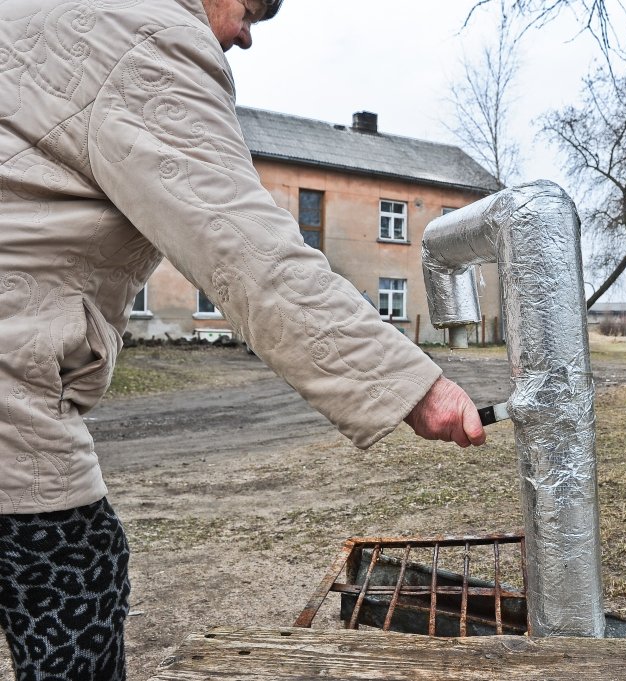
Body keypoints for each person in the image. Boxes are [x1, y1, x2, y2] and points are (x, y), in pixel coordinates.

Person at [0, 1, 486, 678]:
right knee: (77, 570)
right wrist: (410, 383)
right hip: (10, 406)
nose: (246, 37)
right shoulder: (144, 36)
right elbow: (246, 250)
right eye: (252, 8)